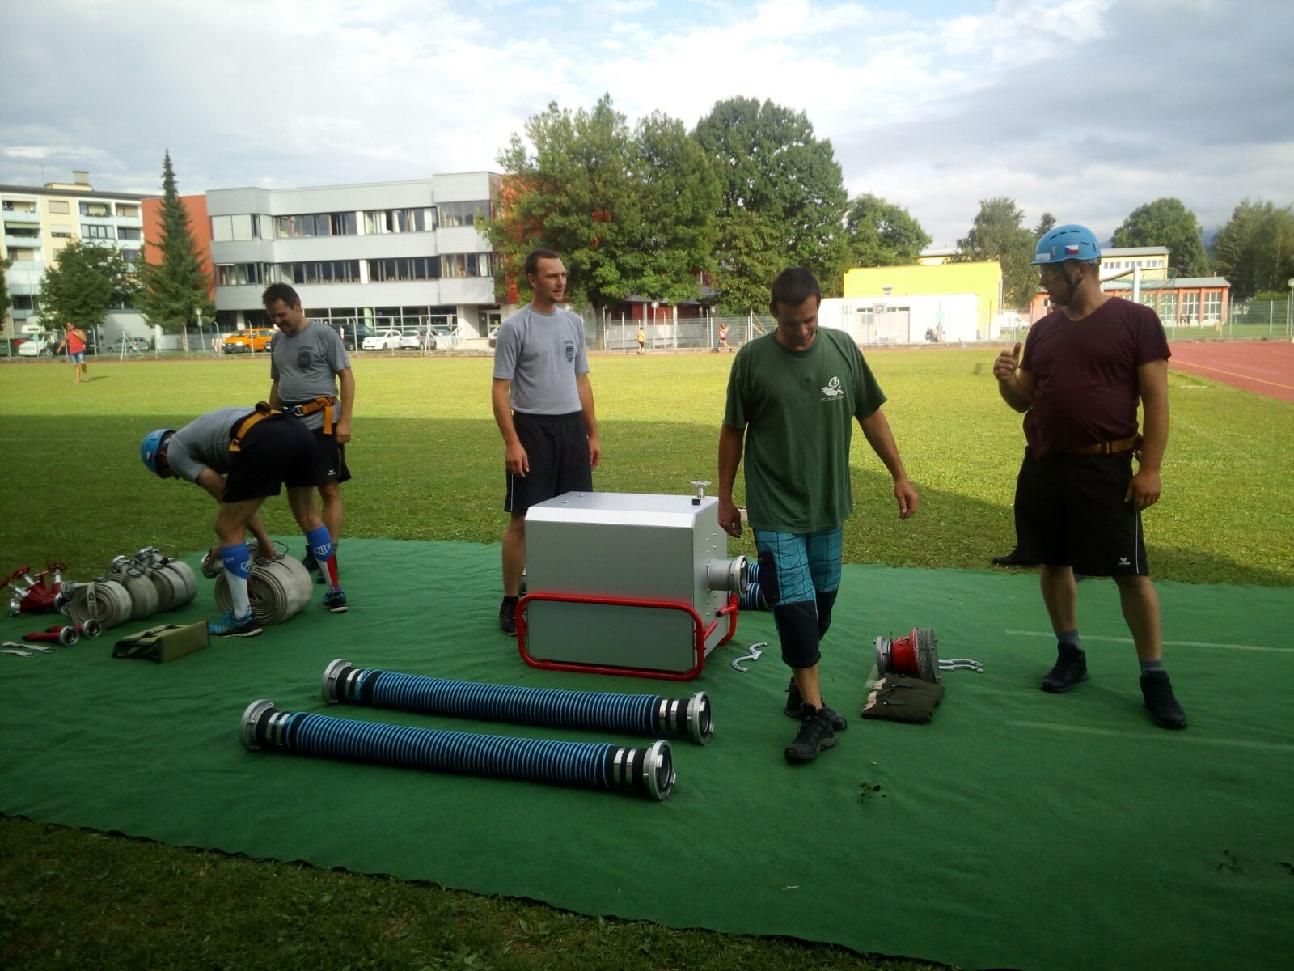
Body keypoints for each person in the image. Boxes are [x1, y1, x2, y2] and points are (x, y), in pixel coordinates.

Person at [718, 267, 918, 763]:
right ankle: (814, 714)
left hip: (828, 505)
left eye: (809, 320)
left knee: (822, 601)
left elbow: (871, 414)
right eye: (791, 324)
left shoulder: (843, 349)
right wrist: (724, 496)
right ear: (774, 313)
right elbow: (732, 431)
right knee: (793, 605)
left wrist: (899, 474)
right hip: (774, 507)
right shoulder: (751, 361)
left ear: (818, 309)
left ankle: (798, 687)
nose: (802, 332)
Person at [992, 223, 1186, 730]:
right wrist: (1006, 380)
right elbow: (1024, 400)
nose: (1043, 282)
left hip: (1106, 468)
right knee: (1053, 562)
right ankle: (1070, 654)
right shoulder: (1044, 331)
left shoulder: (1136, 322)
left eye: (1049, 272)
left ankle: (1154, 677)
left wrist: (1150, 469)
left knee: (1131, 573)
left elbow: (1157, 401)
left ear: (1079, 269)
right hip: (1046, 466)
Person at [139, 405, 346, 637]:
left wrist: (262, 541)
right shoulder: (196, 438)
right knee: (309, 516)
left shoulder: (175, 453)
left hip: (263, 438)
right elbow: (238, 496)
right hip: (298, 432)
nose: (177, 476)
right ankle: (335, 594)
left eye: (167, 472)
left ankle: (242, 619)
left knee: (226, 527)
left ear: (161, 457)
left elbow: (224, 494)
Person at [492, 249, 601, 635]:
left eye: (563, 275)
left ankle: (566, 591)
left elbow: (581, 381)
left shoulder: (572, 323)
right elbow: (500, 390)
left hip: (571, 430)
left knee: (575, 517)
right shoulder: (515, 327)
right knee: (523, 520)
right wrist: (512, 442)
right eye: (552, 275)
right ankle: (511, 601)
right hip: (532, 431)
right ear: (532, 280)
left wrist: (592, 433)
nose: (560, 281)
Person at [262, 283, 354, 613]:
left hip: (323, 424)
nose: (279, 322)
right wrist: (268, 419)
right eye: (273, 317)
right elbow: (278, 382)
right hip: (289, 426)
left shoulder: (324, 335)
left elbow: (347, 377)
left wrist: (345, 421)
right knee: (300, 490)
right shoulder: (277, 341)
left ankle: (330, 552)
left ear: (297, 305)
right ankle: (315, 548)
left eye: (282, 315)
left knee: (328, 489)